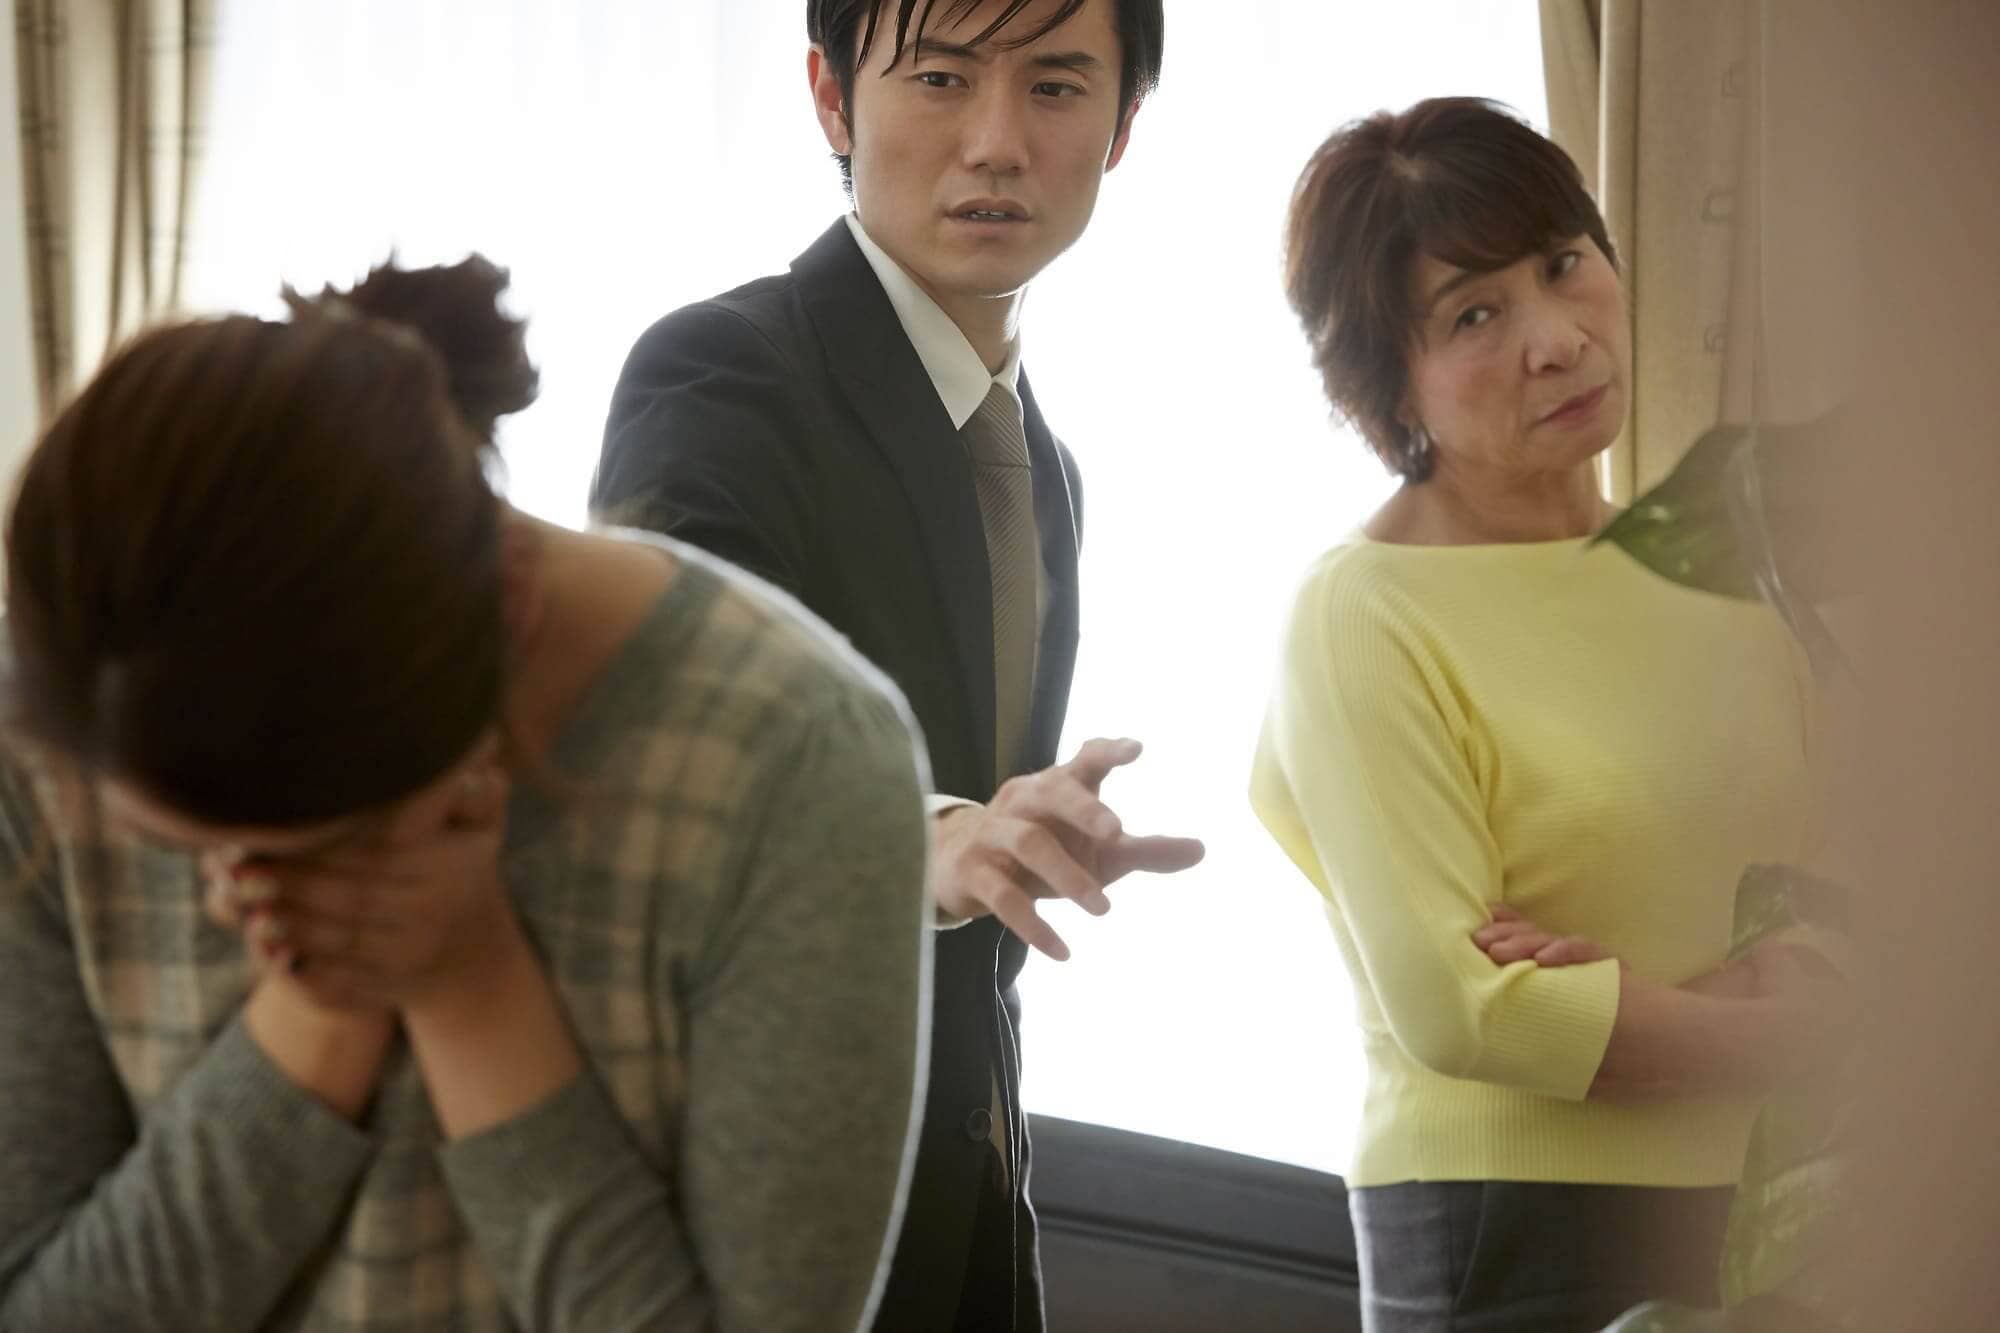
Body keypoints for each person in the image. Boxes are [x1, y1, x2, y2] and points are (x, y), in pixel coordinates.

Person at [0, 256, 931, 1332]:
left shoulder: (799, 761)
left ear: (504, 627)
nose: (222, 896)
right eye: (180, 845)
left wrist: (468, 981)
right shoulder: (65, 716)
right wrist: (319, 1010)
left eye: (293, 851)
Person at [591, 2, 1202, 1327]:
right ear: (831, 97)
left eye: (1055, 87)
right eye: (938, 77)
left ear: (1122, 126)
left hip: (959, 1212)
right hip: (741, 1227)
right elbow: (663, 752)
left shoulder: (1046, 468)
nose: (995, 142)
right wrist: (925, 840)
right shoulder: (723, 372)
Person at [1250, 98, 1840, 1332]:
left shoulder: (1722, 582)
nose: (1557, 340)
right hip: (1509, 1230)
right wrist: (1791, 1036)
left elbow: (1837, 898)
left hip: (1780, 1217)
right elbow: (1466, 1010)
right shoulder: (1360, 612)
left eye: (1564, 264)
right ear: (1384, 387)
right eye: (1474, 314)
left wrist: (1711, 1004)